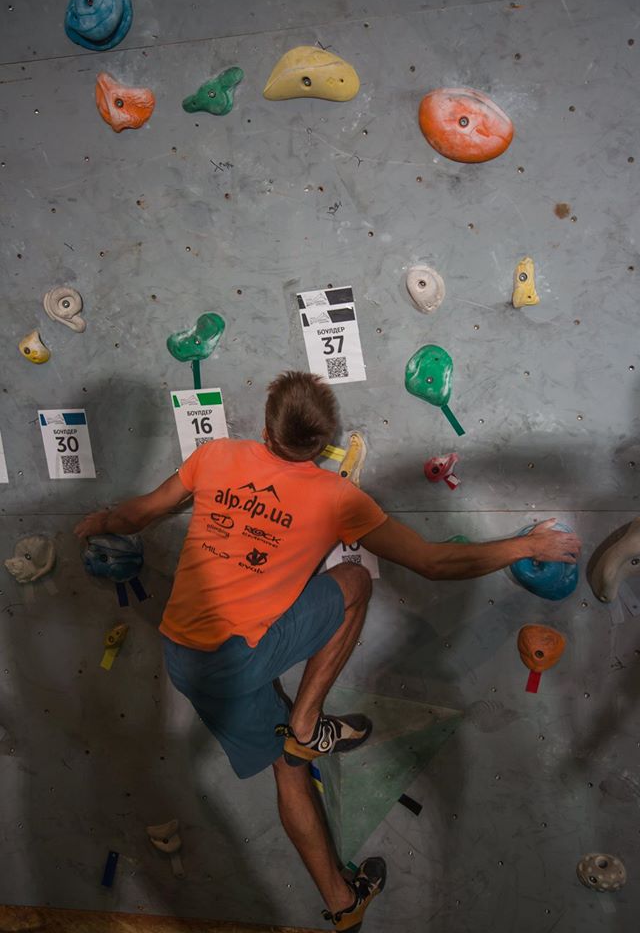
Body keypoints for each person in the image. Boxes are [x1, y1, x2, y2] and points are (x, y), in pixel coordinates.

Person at [75, 371, 580, 932]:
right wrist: (529, 545)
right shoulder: (340, 498)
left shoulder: (213, 457)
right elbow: (434, 563)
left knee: (290, 774)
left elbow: (139, 513)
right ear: (323, 442)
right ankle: (307, 723)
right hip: (241, 658)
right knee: (354, 580)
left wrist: (100, 522)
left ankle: (343, 904)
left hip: (184, 659)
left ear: (267, 428)